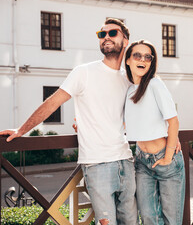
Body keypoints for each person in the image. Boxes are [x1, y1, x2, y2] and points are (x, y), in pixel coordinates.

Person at [0, 18, 138, 225]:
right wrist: (22, 129)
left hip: (126, 161)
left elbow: (132, 117)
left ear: (125, 40)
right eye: (102, 34)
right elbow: (52, 103)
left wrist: (170, 140)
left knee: (132, 222)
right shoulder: (84, 72)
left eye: (112, 33)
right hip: (97, 163)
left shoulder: (128, 78)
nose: (106, 37)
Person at [124, 40, 185, 225]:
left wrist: (168, 155)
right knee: (149, 218)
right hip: (142, 161)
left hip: (166, 160)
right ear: (128, 60)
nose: (142, 59)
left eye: (147, 57)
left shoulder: (155, 84)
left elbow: (173, 121)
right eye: (137, 55)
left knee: (171, 220)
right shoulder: (128, 91)